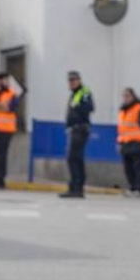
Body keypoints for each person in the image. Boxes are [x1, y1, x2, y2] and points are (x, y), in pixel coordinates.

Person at [61, 70, 94, 198]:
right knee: (75, 159)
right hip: (74, 130)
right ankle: (75, 188)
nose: (71, 82)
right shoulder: (75, 94)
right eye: (70, 80)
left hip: (80, 129)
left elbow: (90, 107)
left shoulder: (84, 92)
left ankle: (76, 188)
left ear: (79, 80)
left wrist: (77, 106)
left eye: (74, 80)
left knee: (73, 159)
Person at [116, 87, 140, 197]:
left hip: (137, 142)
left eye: (128, 95)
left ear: (133, 96)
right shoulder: (122, 110)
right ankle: (133, 188)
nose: (126, 98)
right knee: (128, 167)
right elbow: (122, 128)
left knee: (137, 167)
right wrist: (119, 142)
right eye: (124, 96)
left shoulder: (138, 108)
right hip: (125, 142)